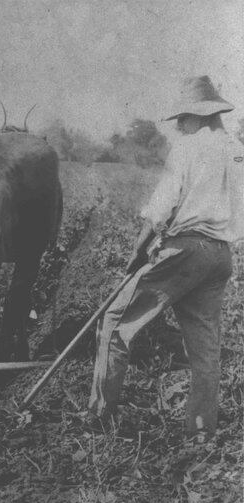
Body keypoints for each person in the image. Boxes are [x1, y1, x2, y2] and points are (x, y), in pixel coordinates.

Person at [88, 75, 243, 436]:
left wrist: (138, 249)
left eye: (182, 119)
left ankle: (99, 418)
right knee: (205, 349)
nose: (179, 126)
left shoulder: (188, 149)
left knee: (113, 322)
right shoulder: (236, 149)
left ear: (198, 116)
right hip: (220, 256)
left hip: (186, 251)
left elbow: (160, 208)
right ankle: (202, 430)